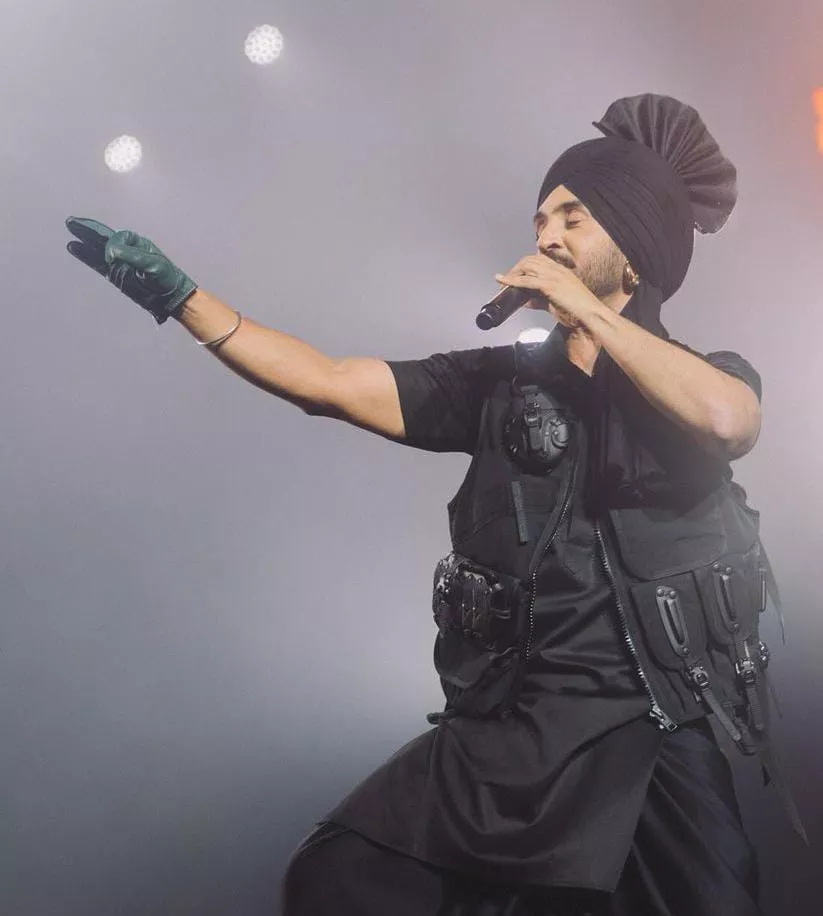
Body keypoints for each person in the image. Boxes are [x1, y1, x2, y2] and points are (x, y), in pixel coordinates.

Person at [66, 94, 805, 916]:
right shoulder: (493, 385)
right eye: (540, 220)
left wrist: (591, 315)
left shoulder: (709, 377)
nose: (546, 237)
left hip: (652, 733)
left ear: (635, 252)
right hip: (510, 731)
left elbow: (728, 422)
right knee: (338, 880)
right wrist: (181, 297)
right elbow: (328, 382)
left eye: (573, 218)